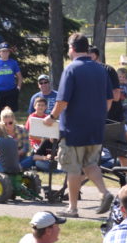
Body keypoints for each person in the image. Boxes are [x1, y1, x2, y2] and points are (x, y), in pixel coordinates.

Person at [42, 33, 115, 218]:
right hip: (96, 127)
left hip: (74, 128)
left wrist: (51, 117)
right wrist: (99, 116)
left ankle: (72, 208)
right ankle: (104, 193)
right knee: (90, 164)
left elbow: (62, 101)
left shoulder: (71, 69)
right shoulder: (100, 69)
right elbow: (109, 100)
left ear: (72, 48)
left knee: (73, 168)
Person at [23, 97, 56, 171]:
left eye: (43, 105)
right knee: (37, 151)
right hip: (34, 143)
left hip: (46, 143)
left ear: (46, 107)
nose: (40, 107)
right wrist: (43, 139)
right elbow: (30, 134)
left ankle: (43, 164)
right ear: (35, 106)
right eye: (39, 105)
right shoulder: (32, 117)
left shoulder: (47, 118)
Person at [0, 42, 22, 115]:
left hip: (11, 91)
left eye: (6, 51)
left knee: (11, 113)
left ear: (9, 52)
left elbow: (20, 77)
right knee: (0, 113)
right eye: (3, 51)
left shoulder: (13, 63)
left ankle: (11, 126)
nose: (5, 53)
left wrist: (18, 88)